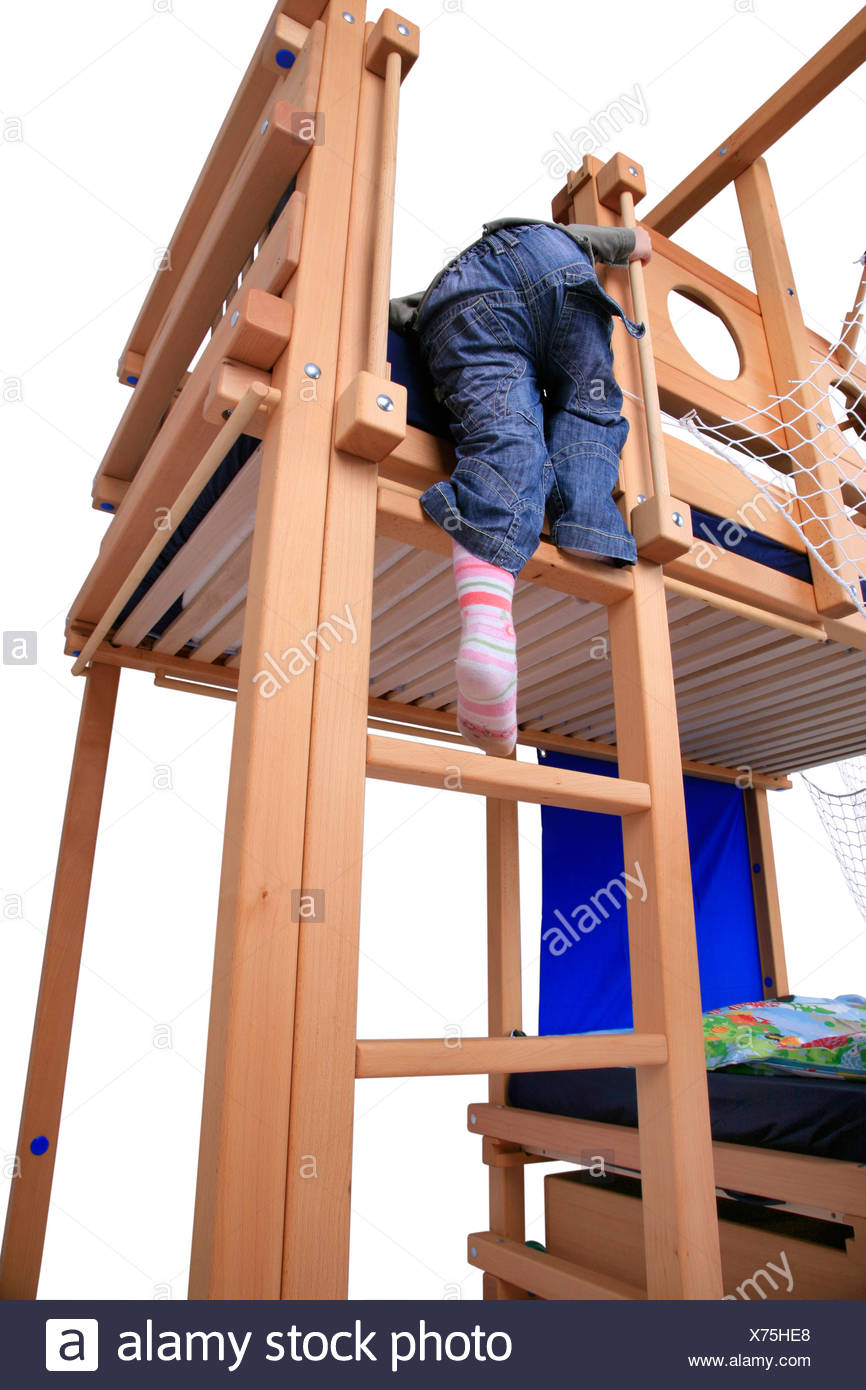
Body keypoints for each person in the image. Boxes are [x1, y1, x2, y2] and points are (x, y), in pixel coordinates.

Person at [388, 217, 653, 758]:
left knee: (505, 437)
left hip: (454, 307)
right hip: (552, 260)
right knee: (589, 404)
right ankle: (586, 519)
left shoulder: (418, 304)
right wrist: (635, 245)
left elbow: (380, 314)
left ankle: (488, 627)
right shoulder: (552, 233)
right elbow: (634, 241)